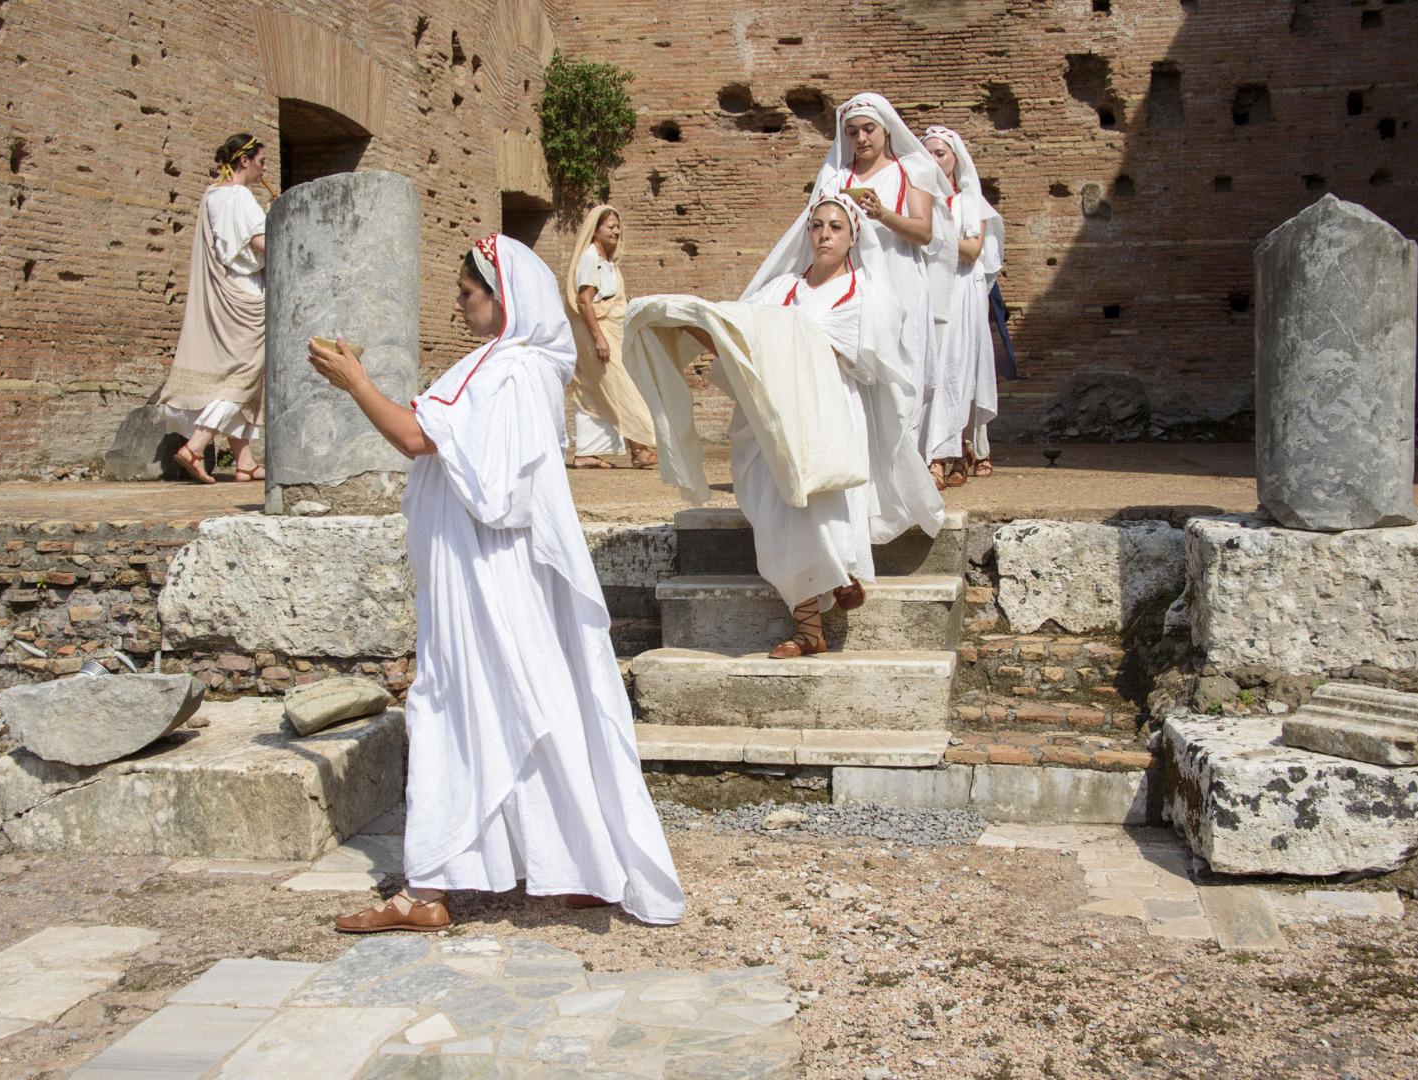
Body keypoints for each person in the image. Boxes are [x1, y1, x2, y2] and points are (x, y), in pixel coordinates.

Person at [306, 233, 685, 931]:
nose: (458, 304)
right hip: (492, 562)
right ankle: (582, 864)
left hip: (484, 567)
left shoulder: (509, 369)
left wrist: (356, 384)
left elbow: (419, 439)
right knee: (528, 700)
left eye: (468, 293)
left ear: (503, 298)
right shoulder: (511, 366)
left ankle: (427, 893)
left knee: (460, 701)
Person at [653, 193, 944, 658]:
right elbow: (738, 338)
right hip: (769, 420)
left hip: (824, 417)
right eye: (817, 226)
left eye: (835, 227)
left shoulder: (866, 294)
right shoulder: (780, 290)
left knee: (819, 511)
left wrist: (779, 346)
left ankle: (815, 616)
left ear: (852, 238)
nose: (824, 234)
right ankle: (828, 598)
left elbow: (858, 357)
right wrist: (689, 319)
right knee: (774, 518)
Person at [794, 93, 954, 491]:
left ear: (886, 129)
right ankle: (861, 481)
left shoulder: (912, 169)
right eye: (852, 133)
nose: (861, 139)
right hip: (851, 287)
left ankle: (905, 480)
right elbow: (817, 230)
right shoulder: (835, 177)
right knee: (854, 376)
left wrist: (882, 213)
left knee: (902, 376)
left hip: (899, 284)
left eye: (868, 130)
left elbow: (924, 231)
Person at [157, 133, 271, 484]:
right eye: (261, 161)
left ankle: (245, 461)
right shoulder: (239, 196)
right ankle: (197, 444)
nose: (264, 168)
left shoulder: (211, 195)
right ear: (244, 161)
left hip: (225, 293)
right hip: (246, 295)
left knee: (237, 376)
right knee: (243, 378)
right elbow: (260, 242)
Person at [920, 125, 1006, 483]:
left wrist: (929, 236)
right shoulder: (918, 200)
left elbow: (972, 251)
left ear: (956, 158)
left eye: (940, 153)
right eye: (927, 154)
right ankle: (939, 451)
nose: (934, 160)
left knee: (955, 365)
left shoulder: (971, 203)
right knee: (930, 368)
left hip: (959, 290)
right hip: (926, 288)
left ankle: (948, 453)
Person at [563, 206, 658, 470]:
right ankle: (639, 448)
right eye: (610, 226)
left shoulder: (606, 262)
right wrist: (599, 338)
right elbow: (584, 301)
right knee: (623, 386)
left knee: (596, 391)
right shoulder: (590, 258)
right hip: (598, 333)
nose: (616, 231)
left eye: (618, 226)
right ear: (595, 230)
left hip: (610, 331)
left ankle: (587, 452)